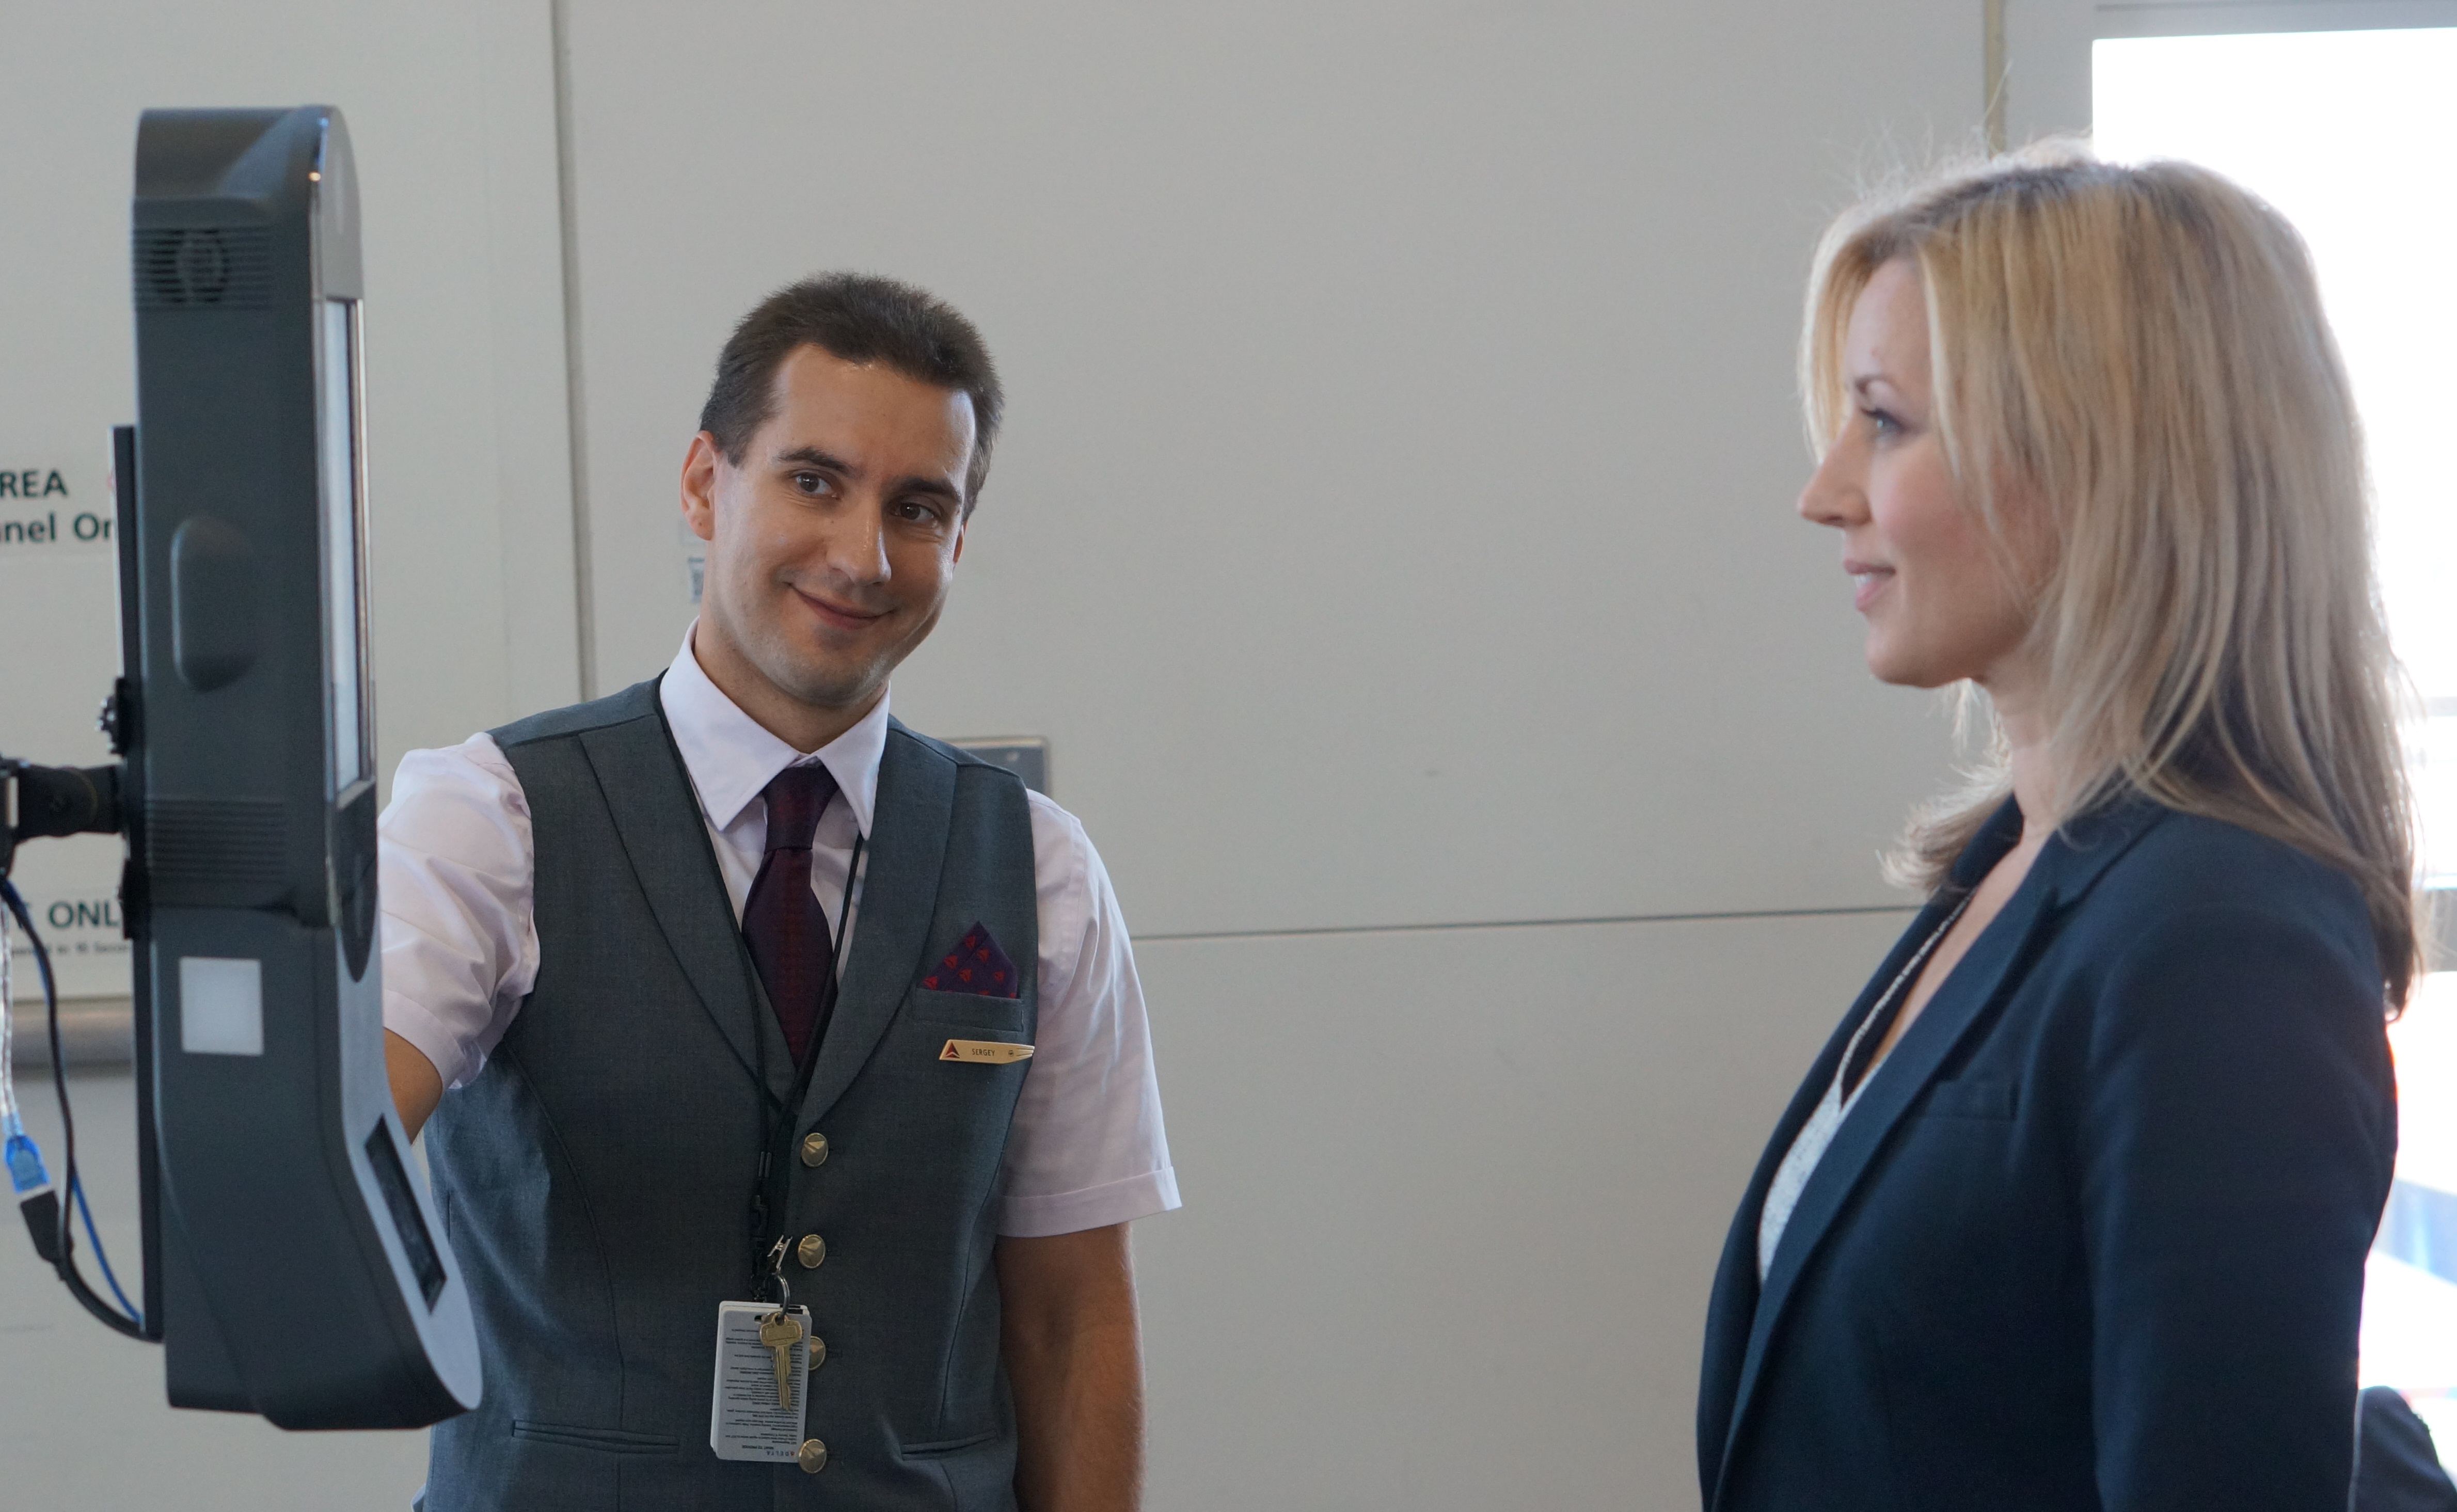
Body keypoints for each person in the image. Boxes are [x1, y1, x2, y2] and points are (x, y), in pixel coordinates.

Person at [377, 274, 1178, 1510]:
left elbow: (1071, 1319)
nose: (861, 556)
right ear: (706, 483)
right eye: (814, 481)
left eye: (918, 508)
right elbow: (344, 1146)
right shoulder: (491, 820)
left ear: (958, 542)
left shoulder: (1037, 866)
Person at [1695, 146, 2417, 1511]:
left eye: (1886, 422)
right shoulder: (2019, 867)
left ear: (2097, 457)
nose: (1824, 491)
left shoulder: (2219, 934)